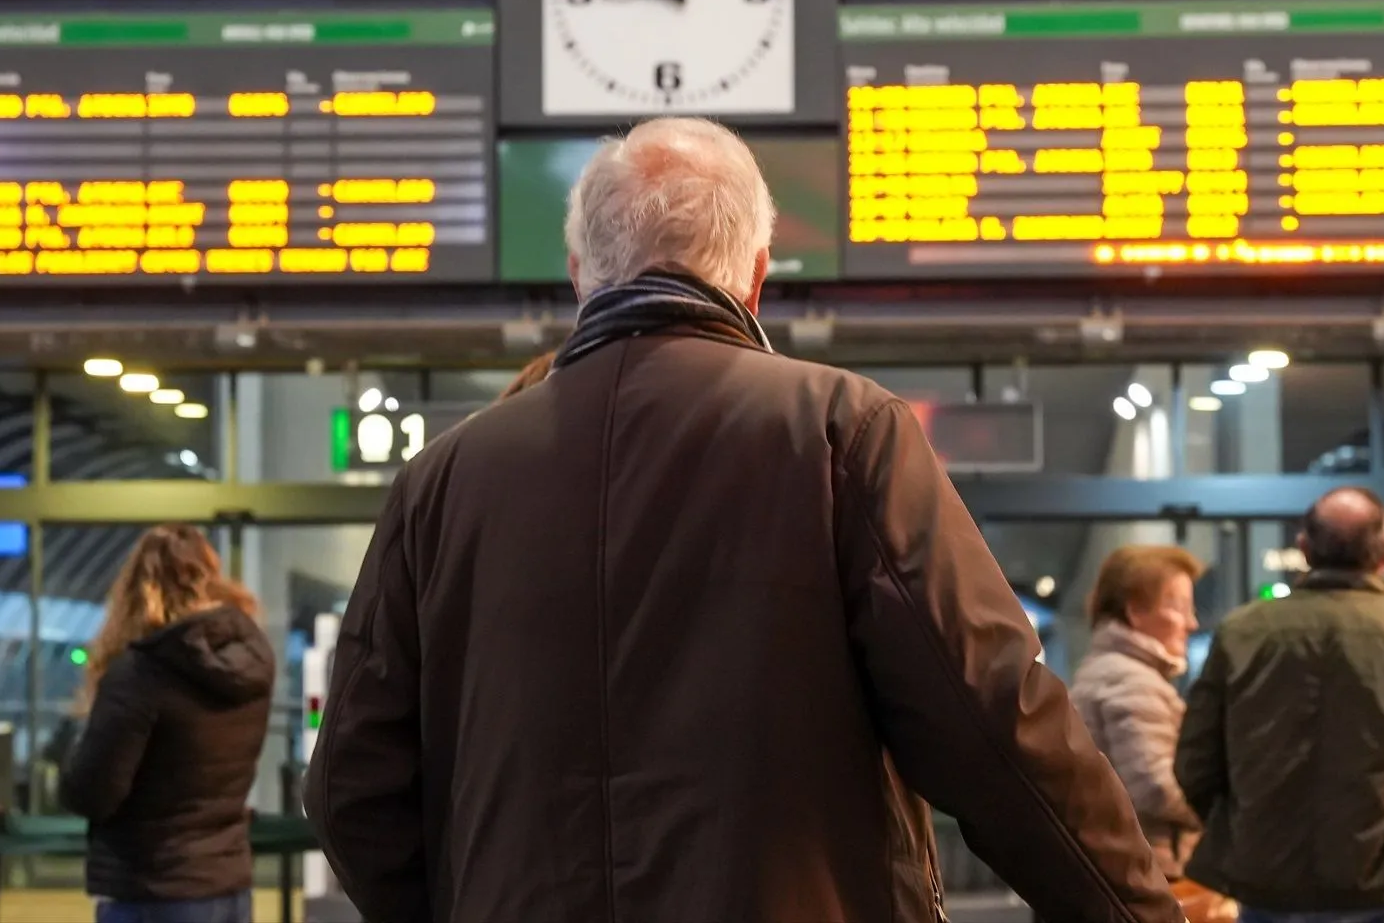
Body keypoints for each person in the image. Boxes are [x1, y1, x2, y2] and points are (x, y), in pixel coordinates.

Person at [308, 118, 1179, 923]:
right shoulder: (840, 430)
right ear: (757, 276)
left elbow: (350, 784)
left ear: (581, 275)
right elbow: (996, 723)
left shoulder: (443, 478)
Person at [1176, 487, 1384, 922]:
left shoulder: (1241, 633)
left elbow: (1195, 763)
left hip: (1268, 887)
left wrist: (1244, 837)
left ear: (1304, 548)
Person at [61, 525, 274, 923]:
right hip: (228, 886)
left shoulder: (140, 675)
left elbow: (93, 792)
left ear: (134, 592)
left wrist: (71, 755)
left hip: (153, 889)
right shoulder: (250, 665)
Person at [1071, 546, 1220, 915]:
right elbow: (1154, 787)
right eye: (1181, 607)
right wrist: (1224, 814)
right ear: (1136, 611)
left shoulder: (1108, 670)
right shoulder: (1132, 681)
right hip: (1150, 869)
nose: (1192, 623)